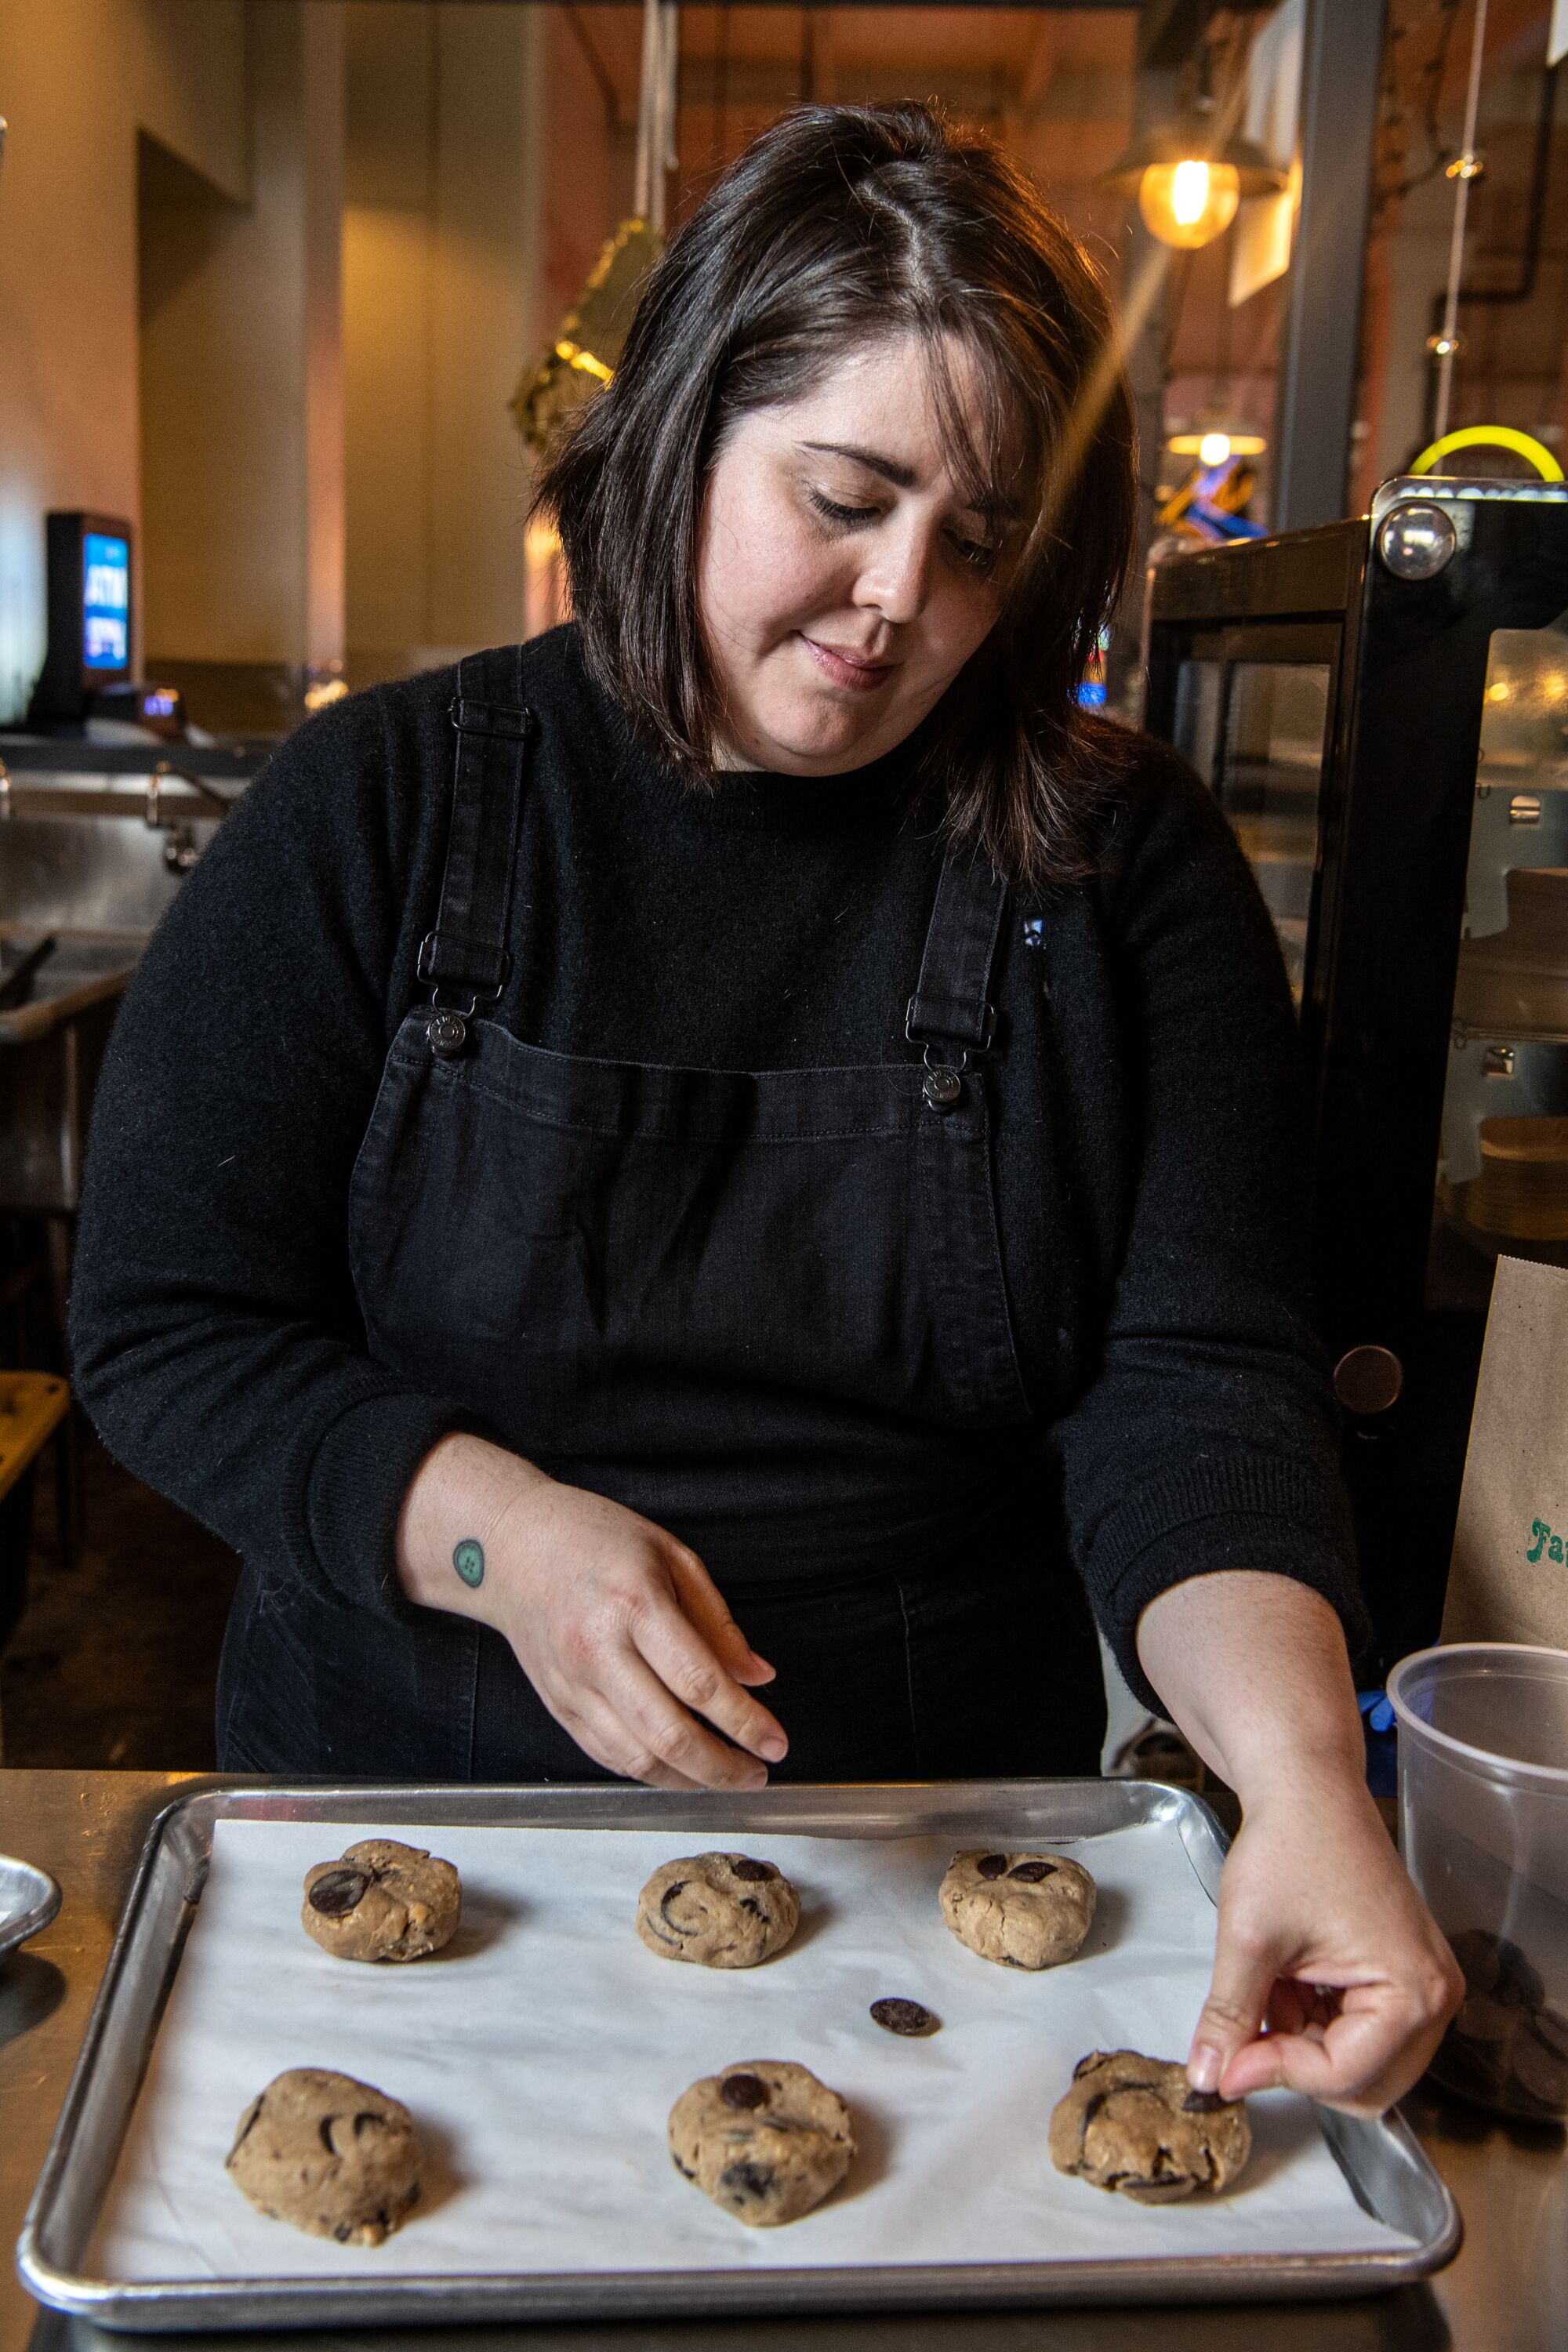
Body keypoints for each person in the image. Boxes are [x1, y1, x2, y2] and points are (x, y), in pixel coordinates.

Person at [69, 103, 1460, 2113]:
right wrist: (498, 1538)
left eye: (978, 541)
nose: (897, 595)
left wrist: (1301, 1780)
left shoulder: (1115, 863)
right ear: (677, 433)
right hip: (412, 1821)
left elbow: (1197, 1383)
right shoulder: (376, 809)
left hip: (930, 1857)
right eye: (843, 491)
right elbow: (169, 1322)